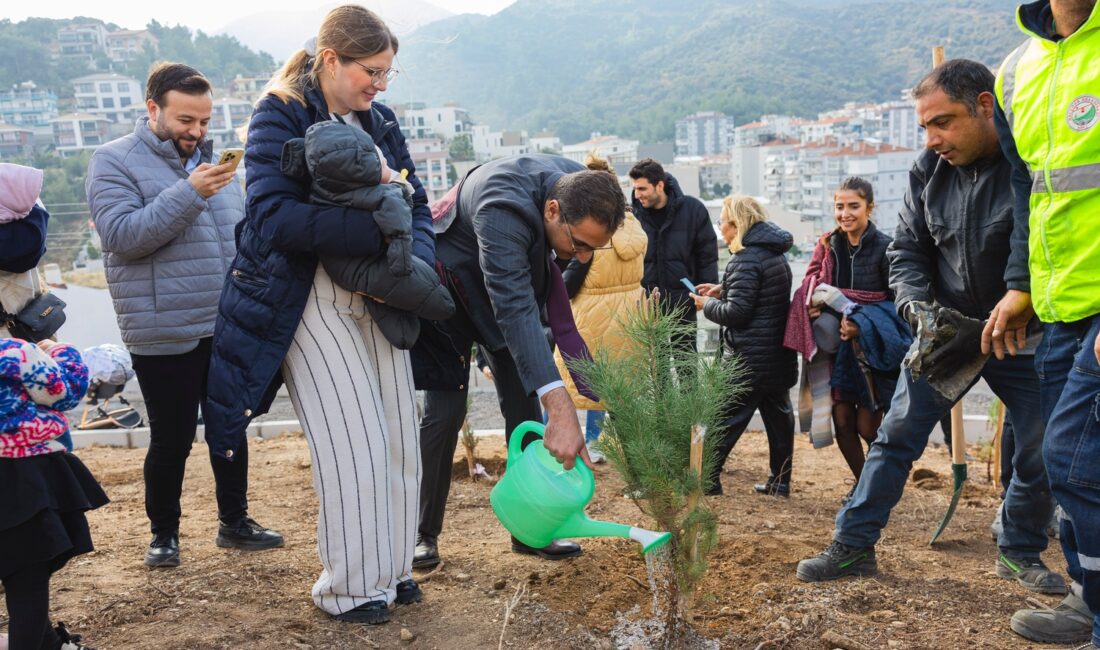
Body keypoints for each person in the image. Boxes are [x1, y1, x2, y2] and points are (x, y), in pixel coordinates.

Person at [795, 59, 1062, 597]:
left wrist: (1023, 295)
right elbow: (908, 251)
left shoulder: (1030, 158)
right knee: (895, 437)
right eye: (925, 126)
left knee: (1038, 448)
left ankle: (1018, 549)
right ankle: (853, 545)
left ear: (985, 106)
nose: (933, 137)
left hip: (1022, 327)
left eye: (944, 122)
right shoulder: (926, 172)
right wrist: (914, 306)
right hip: (948, 330)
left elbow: (1041, 238)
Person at [203, 5, 433, 625]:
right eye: (372, 71)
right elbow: (274, 218)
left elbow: (418, 207)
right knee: (353, 443)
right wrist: (378, 230)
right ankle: (350, 587)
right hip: (306, 296)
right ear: (331, 59)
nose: (380, 86)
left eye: (386, 74)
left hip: (380, 293)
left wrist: (412, 270)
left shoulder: (377, 119)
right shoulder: (278, 113)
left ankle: (391, 570)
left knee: (398, 437)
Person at [85, 62, 283, 569]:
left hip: (225, 324)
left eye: (204, 121)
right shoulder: (112, 162)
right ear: (153, 110)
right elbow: (123, 237)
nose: (196, 132)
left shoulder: (216, 164)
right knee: (171, 437)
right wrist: (191, 190)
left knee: (229, 428)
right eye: (185, 120)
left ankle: (234, 523)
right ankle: (164, 534)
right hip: (163, 329)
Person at [413, 153, 626, 562]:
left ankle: (529, 530)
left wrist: (601, 391)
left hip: (507, 297)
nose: (582, 257)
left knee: (525, 412)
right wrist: (561, 406)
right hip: (450, 295)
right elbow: (515, 306)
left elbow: (554, 312)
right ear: (551, 210)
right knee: (445, 413)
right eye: (578, 245)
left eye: (592, 250)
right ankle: (422, 534)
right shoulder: (502, 208)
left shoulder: (578, 186)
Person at [986, 2, 1100, 646]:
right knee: (1070, 472)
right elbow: (1029, 188)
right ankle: (1089, 599)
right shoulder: (1017, 71)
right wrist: (1022, 285)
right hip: (1059, 305)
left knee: (1076, 459)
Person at [787, 177, 894, 501]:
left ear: (869, 208)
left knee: (868, 427)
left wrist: (862, 324)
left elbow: (893, 302)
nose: (845, 213)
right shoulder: (828, 245)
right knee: (842, 420)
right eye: (839, 206)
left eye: (853, 206)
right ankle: (865, 487)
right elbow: (810, 284)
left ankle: (881, 480)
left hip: (871, 350)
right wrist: (815, 303)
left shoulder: (886, 247)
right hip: (835, 351)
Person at [1, 337, 106, 650]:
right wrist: (61, 352)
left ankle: (49, 643)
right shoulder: (14, 353)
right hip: (18, 477)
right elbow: (65, 392)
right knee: (26, 584)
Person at [691, 195, 796, 496]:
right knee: (779, 423)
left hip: (748, 359)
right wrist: (723, 289)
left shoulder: (745, 259)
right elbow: (762, 291)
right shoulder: (773, 254)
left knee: (725, 420)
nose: (720, 228)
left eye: (722, 222)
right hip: (777, 356)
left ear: (736, 225)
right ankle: (780, 482)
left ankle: (708, 480)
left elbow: (737, 313)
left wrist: (707, 303)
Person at [552, 154, 647, 464]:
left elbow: (570, 282)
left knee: (566, 382)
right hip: (629, 319)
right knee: (614, 388)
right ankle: (596, 443)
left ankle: (548, 438)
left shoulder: (590, 228)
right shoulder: (632, 225)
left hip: (588, 319)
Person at [628, 158, 718, 371]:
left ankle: (691, 406)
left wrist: (704, 294)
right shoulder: (633, 215)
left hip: (683, 302)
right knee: (656, 372)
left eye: (642, 188)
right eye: (635, 189)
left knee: (686, 367)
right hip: (648, 305)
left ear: (659, 185)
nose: (637, 194)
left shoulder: (693, 209)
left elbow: (707, 254)